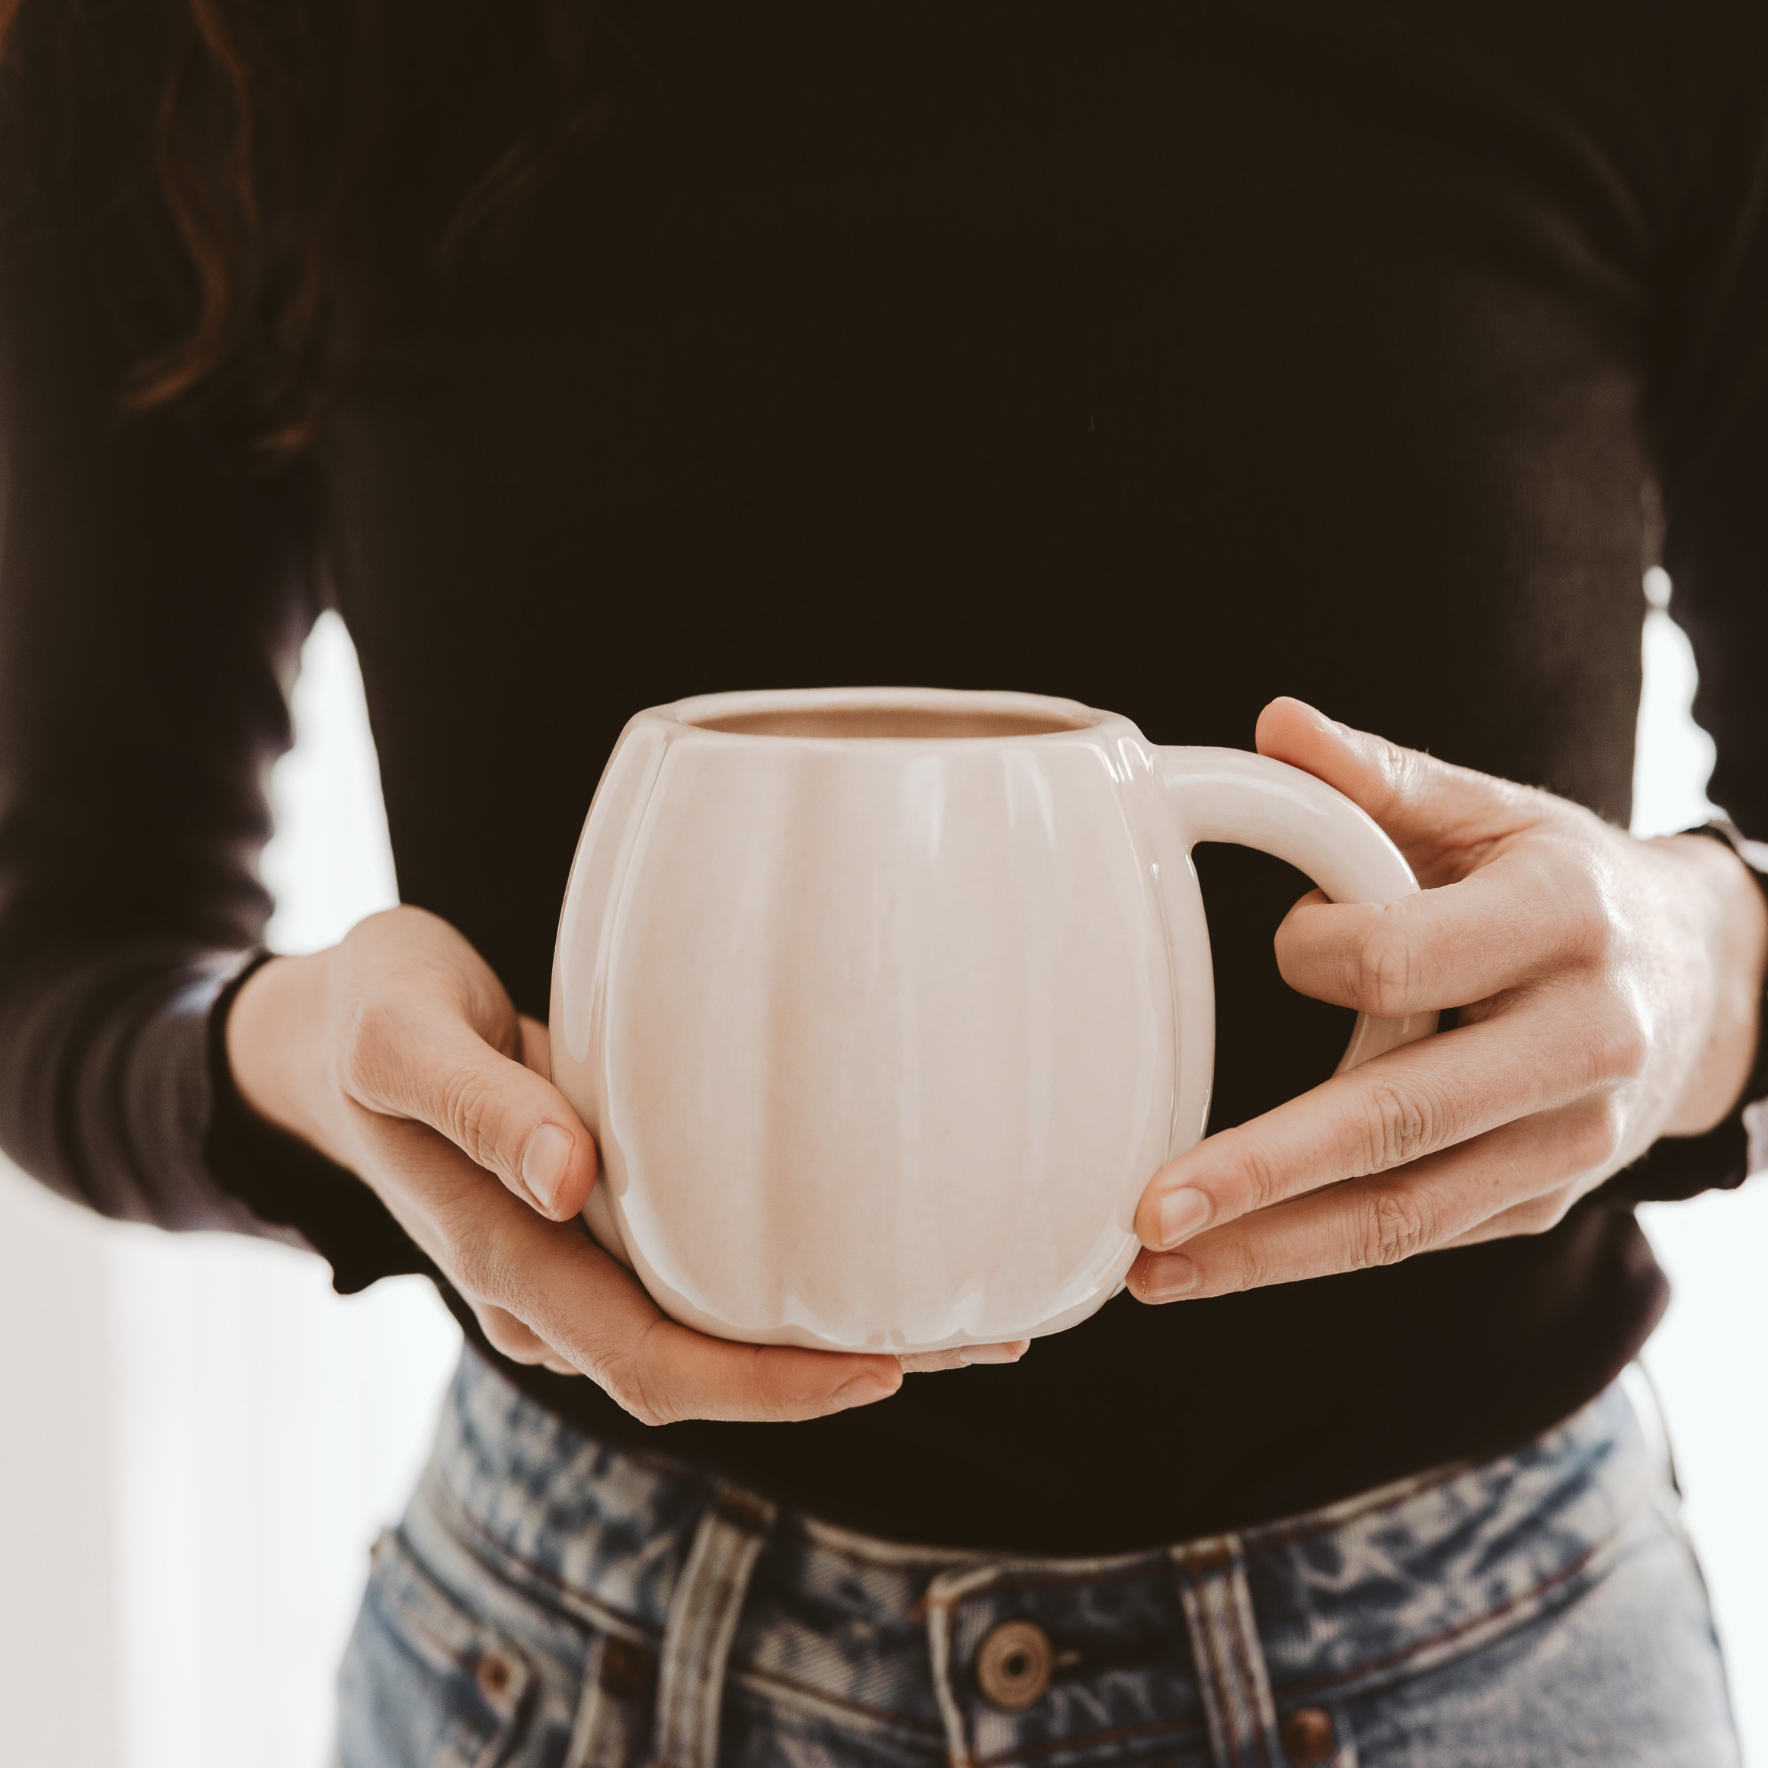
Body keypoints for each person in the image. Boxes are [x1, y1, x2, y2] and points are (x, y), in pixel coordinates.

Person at [2, 0, 1764, 1761]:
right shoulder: (212, 40)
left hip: (1494, 1660)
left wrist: (1701, 973)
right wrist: (304, 1057)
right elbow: (70, 938)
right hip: (576, 1668)